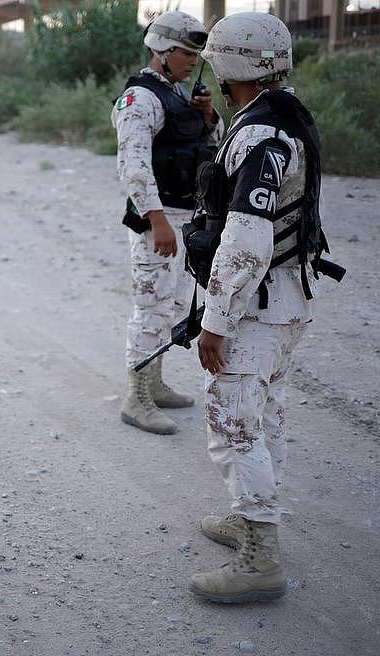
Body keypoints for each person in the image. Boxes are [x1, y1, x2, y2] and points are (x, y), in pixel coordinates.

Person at [186, 12, 338, 603]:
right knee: (264, 414)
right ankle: (251, 520)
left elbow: (246, 238)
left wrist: (215, 322)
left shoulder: (259, 135)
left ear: (228, 66)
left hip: (257, 306)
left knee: (233, 425)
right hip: (289, 298)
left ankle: (261, 558)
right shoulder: (287, 117)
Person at [111, 11, 224, 435]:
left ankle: (154, 384)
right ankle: (135, 397)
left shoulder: (177, 95)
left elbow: (210, 147)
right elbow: (133, 164)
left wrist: (208, 114)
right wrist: (155, 218)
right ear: (161, 52)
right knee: (151, 306)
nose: (193, 59)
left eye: (196, 52)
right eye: (185, 52)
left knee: (174, 305)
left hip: (184, 217)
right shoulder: (140, 98)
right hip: (158, 220)